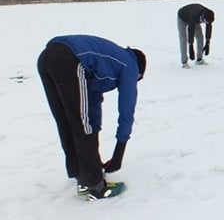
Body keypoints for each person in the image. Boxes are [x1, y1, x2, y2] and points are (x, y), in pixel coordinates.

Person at [37, 35, 146, 201]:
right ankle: (96, 186)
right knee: (83, 125)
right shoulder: (129, 65)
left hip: (47, 58)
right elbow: (126, 110)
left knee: (67, 121)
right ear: (139, 71)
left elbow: (91, 101)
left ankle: (82, 177)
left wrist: (92, 159)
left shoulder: (109, 60)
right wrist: (119, 153)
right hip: (69, 59)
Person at [177, 3, 215, 68]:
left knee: (200, 37)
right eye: (206, 22)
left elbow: (208, 28)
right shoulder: (195, 15)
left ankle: (199, 59)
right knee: (183, 39)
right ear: (203, 17)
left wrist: (208, 41)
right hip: (182, 17)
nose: (206, 23)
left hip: (195, 20)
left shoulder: (209, 16)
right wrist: (191, 45)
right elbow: (190, 30)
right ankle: (184, 62)